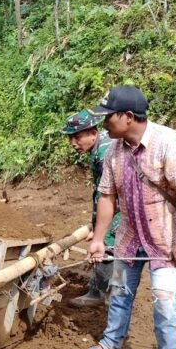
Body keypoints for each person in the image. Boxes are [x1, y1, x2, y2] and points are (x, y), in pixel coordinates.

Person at [82, 86, 176, 349]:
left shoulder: (170, 145)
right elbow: (107, 196)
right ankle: (112, 343)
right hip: (129, 240)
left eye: (108, 117)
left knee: (163, 299)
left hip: (165, 241)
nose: (104, 123)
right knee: (120, 292)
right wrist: (98, 239)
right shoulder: (113, 152)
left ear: (128, 117)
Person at [60, 109, 120, 308]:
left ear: (92, 132)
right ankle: (99, 290)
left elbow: (110, 195)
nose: (73, 143)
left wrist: (101, 231)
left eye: (77, 137)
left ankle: (101, 295)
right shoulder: (100, 146)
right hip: (112, 208)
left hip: (119, 211)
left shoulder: (105, 153)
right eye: (70, 139)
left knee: (106, 247)